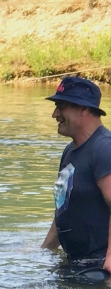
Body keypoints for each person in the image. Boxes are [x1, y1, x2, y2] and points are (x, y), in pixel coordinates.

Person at [40, 76, 111, 272]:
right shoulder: (70, 152)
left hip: (99, 267)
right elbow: (65, 208)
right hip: (77, 263)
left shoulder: (104, 148)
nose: (55, 114)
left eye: (61, 106)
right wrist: (45, 250)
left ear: (84, 109)